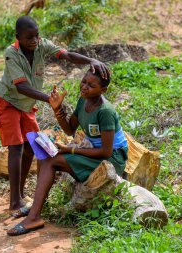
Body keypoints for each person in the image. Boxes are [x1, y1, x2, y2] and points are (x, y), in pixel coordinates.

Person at [0, 15, 110, 218]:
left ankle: (20, 194)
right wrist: (48, 99)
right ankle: (14, 201)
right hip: (8, 102)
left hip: (26, 106)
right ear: (17, 37)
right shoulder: (12, 53)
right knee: (16, 147)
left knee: (32, 147)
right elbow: (21, 86)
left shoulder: (42, 45)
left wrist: (91, 60)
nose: (34, 41)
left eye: (37, 36)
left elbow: (67, 56)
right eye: (29, 37)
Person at [7, 69, 129, 235]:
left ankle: (34, 217)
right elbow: (70, 129)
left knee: (52, 161)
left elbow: (106, 152)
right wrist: (57, 109)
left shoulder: (105, 111)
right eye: (84, 81)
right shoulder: (83, 101)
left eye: (91, 85)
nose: (84, 87)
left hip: (113, 159)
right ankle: (36, 206)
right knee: (45, 155)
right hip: (95, 151)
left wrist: (72, 149)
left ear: (103, 90)